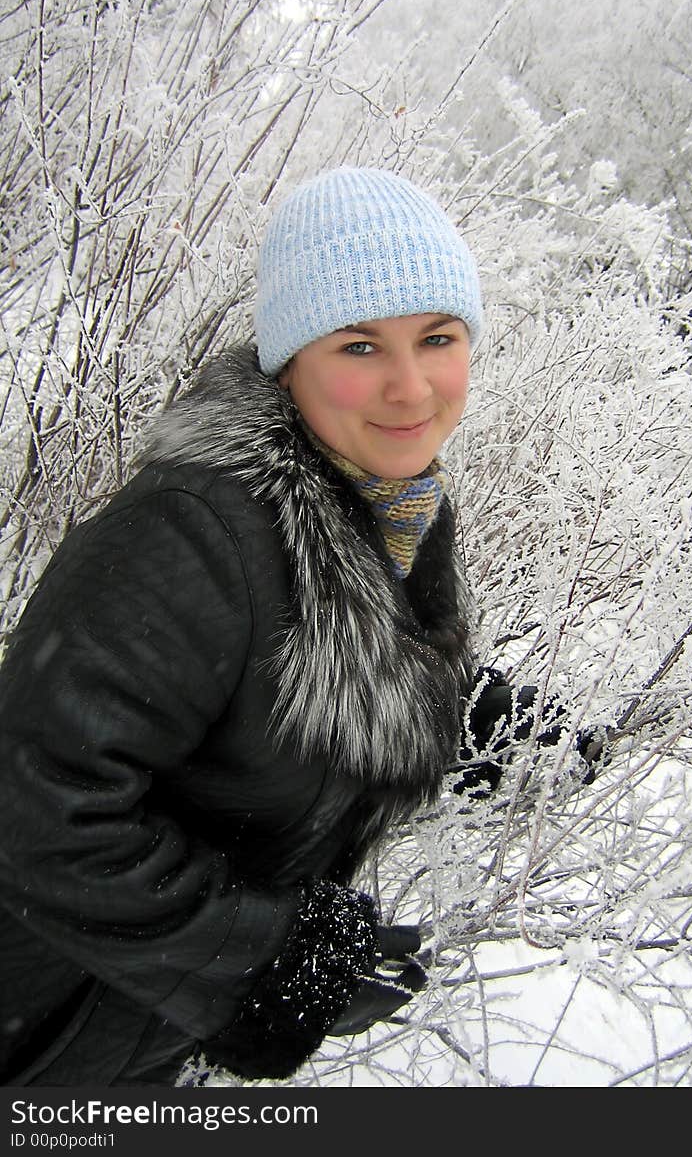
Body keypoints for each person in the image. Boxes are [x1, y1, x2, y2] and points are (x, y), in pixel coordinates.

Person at [0, 167, 600, 1087]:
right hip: (46, 1030)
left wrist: (483, 725)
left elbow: (320, 663)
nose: (409, 388)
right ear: (290, 362)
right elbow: (34, 811)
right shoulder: (193, 532)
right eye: (359, 347)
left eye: (436, 338)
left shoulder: (392, 502)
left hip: (140, 1031)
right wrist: (271, 959)